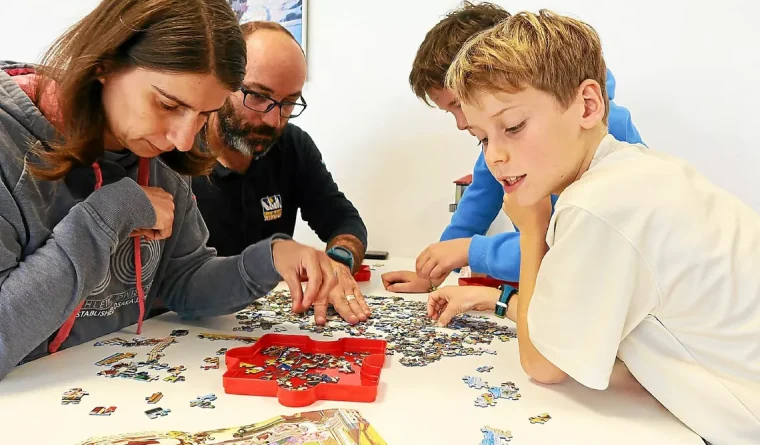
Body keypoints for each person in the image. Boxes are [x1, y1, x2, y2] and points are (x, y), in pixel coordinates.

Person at [433, 9, 760, 443]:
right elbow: (579, 326)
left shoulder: (598, 205)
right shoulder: (640, 171)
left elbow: (546, 365)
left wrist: (533, 229)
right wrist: (495, 299)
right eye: (482, 138)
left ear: (588, 105)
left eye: (512, 127)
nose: (495, 155)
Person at [0, 0, 339, 381]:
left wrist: (270, 259)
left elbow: (184, 282)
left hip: (107, 392)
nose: (182, 140)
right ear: (104, 64)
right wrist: (110, 214)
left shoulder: (158, 147)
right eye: (167, 104)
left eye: (205, 115)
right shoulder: (7, 142)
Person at [381, 1, 643, 293]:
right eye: (485, 139)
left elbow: (571, 253)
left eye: (515, 126)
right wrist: (435, 268)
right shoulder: (501, 148)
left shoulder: (610, 136)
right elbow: (478, 203)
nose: (460, 124)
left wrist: (473, 251)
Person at [192, 21, 370, 326]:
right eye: (258, 96)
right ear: (221, 83)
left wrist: (339, 264)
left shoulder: (293, 145)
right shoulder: (176, 153)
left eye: (288, 103)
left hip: (267, 328)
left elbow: (343, 219)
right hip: (186, 325)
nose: (274, 120)